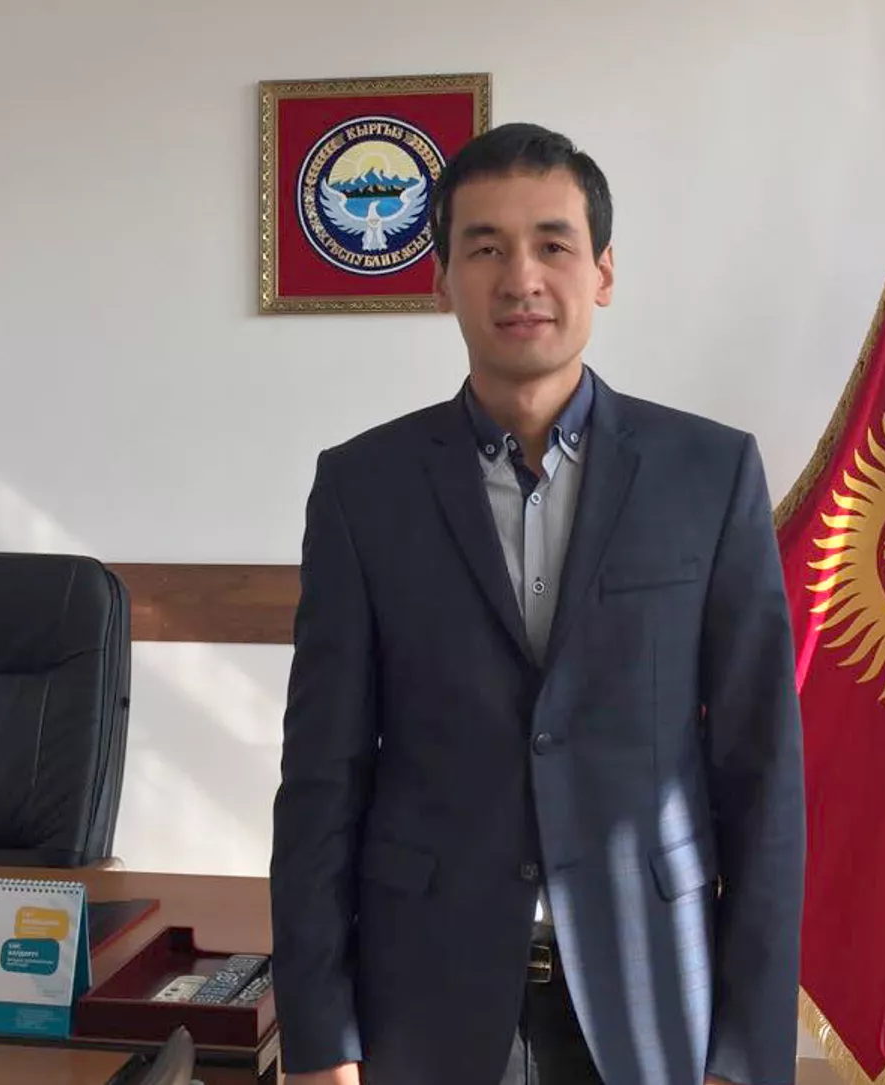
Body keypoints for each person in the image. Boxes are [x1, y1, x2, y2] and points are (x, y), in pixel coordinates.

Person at [269, 122, 805, 1085]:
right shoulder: (362, 488)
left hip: (651, 992)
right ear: (442, 280)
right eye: (485, 248)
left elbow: (763, 774)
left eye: (553, 245)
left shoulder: (710, 474)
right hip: (424, 994)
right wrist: (319, 1040)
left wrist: (747, 1052)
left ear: (603, 271)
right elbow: (321, 779)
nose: (520, 278)